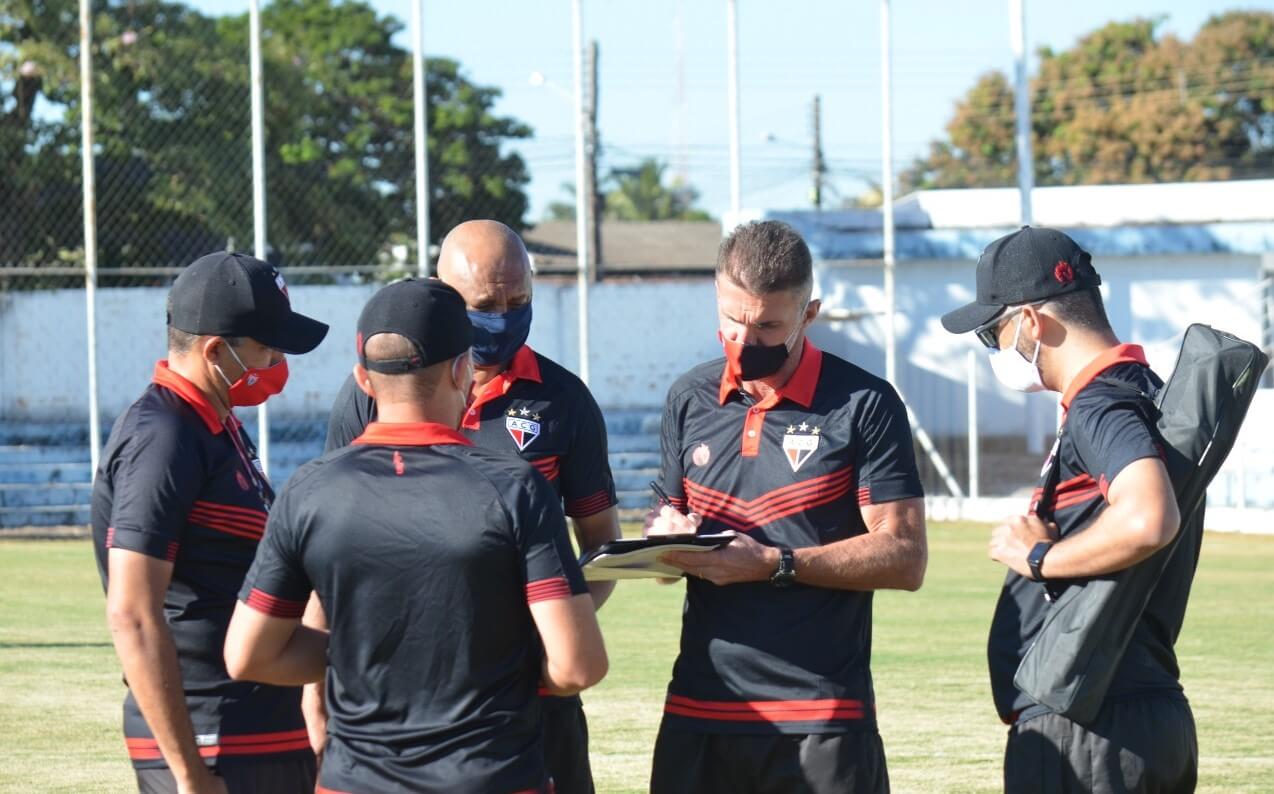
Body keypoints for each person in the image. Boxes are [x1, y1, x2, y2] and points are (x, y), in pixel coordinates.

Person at [223, 278, 608, 794]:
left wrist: (371, 656)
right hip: (490, 777)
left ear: (363, 379)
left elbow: (249, 656)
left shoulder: (307, 492)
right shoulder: (515, 489)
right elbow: (578, 665)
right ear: (461, 369)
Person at [320, 220, 621, 792]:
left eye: (519, 300)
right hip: (398, 694)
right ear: (441, 292)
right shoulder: (370, 396)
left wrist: (545, 634)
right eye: (485, 304)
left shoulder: (565, 401)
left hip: (532, 699)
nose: (504, 315)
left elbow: (600, 548)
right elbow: (334, 544)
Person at [645, 220, 928, 794]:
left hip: (822, 719)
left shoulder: (864, 404)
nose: (746, 339)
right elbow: (665, 545)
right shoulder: (688, 398)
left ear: (809, 313)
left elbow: (905, 557)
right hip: (700, 709)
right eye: (732, 320)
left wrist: (775, 563)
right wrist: (665, 537)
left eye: (769, 325)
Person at [940, 226, 1196, 793]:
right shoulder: (1143, 391)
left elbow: (1149, 517)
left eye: (992, 333)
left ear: (1030, 322)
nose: (994, 351)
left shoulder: (1100, 404)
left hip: (1093, 723)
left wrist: (1037, 556)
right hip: (1140, 713)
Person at [91, 251, 329, 794]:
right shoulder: (164, 437)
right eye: (266, 346)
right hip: (215, 740)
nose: (275, 360)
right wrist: (190, 775)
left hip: (259, 730)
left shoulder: (215, 424)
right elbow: (131, 611)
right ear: (216, 350)